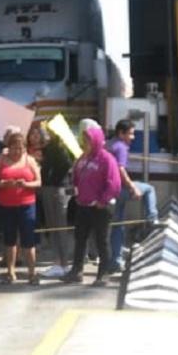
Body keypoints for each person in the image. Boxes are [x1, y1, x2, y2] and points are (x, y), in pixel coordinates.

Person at [63, 121, 120, 286]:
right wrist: (73, 187)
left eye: (88, 140)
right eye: (83, 140)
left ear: (95, 140)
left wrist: (102, 201)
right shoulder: (82, 157)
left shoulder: (106, 159)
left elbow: (114, 184)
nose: (84, 143)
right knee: (80, 239)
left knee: (102, 241)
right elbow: (77, 177)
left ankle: (103, 274)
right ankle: (76, 271)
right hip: (83, 205)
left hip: (100, 207)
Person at [0, 130, 42, 284]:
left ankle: (32, 272)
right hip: (6, 205)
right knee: (9, 239)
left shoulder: (30, 160)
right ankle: (10, 272)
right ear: (8, 147)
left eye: (20, 148)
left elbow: (38, 182)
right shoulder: (0, 160)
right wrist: (4, 184)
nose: (17, 151)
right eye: (14, 148)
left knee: (28, 240)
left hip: (27, 205)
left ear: (24, 148)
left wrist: (25, 184)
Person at [106, 119, 159, 274]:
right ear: (121, 133)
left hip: (108, 193)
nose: (133, 137)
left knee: (117, 225)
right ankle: (152, 219)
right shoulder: (121, 147)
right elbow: (121, 169)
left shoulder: (108, 145)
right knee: (149, 189)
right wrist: (132, 187)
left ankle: (116, 260)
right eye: (130, 133)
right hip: (120, 189)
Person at [35, 122, 75, 278]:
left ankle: (62, 262)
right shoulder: (51, 147)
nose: (45, 133)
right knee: (53, 227)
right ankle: (59, 261)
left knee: (58, 227)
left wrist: (52, 178)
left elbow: (66, 164)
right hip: (52, 188)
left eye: (47, 131)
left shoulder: (60, 147)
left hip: (56, 189)